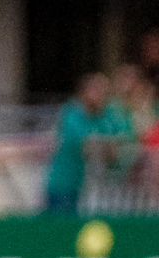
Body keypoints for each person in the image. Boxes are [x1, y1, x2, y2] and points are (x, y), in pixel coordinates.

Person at [43, 71, 135, 213]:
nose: (103, 97)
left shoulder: (103, 117)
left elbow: (126, 138)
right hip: (64, 187)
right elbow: (88, 146)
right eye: (98, 91)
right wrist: (109, 144)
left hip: (89, 191)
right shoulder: (72, 115)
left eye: (105, 92)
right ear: (86, 92)